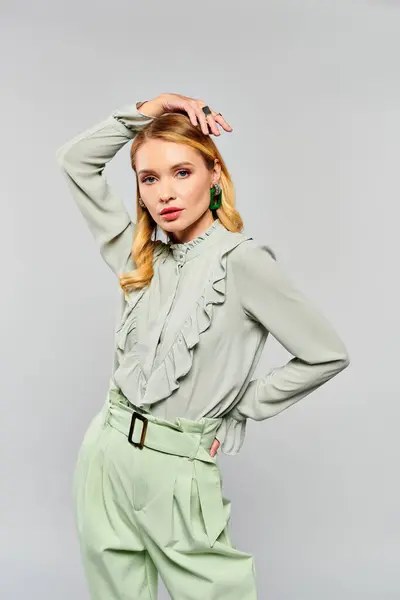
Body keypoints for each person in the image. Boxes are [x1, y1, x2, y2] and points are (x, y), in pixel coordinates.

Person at [55, 92, 350, 600]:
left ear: (215, 175)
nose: (165, 192)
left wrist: (240, 407)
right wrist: (153, 106)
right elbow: (74, 161)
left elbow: (326, 353)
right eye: (150, 179)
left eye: (182, 172)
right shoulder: (138, 258)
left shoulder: (244, 263)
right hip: (104, 454)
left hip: (177, 468)